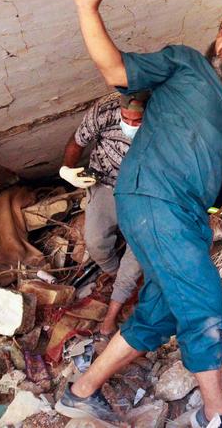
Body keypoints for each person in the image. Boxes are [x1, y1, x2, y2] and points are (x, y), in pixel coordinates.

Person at [55, 0, 222, 428]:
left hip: (190, 217)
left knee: (158, 315)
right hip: (153, 196)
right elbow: (115, 69)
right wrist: (87, 7)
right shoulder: (184, 64)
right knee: (201, 304)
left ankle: (80, 392)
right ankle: (218, 416)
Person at [59, 92, 148, 335]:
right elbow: (76, 142)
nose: (130, 126)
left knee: (137, 252)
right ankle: (116, 277)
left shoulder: (162, 118)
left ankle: (113, 312)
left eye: (137, 122)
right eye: (126, 119)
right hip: (106, 182)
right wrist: (67, 170)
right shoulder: (103, 112)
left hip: (143, 190)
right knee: (96, 242)